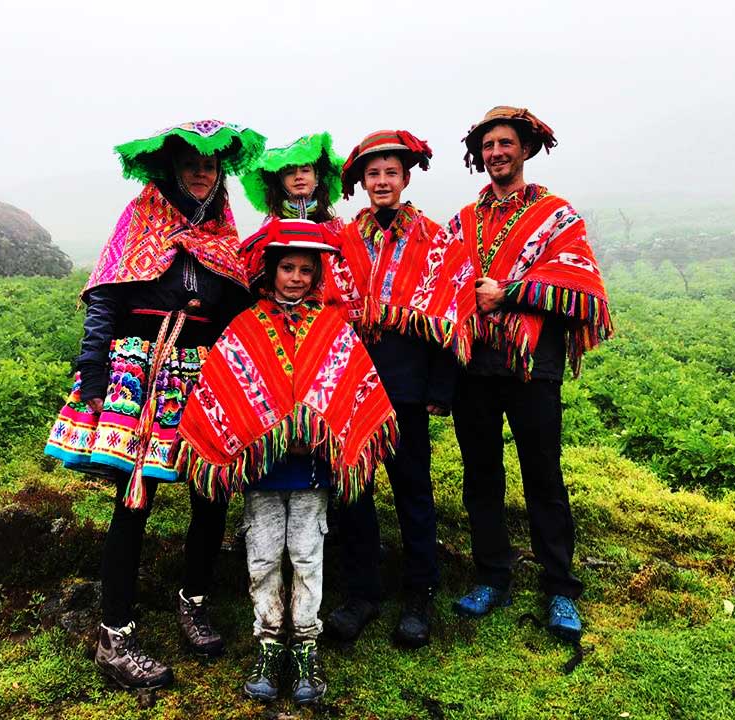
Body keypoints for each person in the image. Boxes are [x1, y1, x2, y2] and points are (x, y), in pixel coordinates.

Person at [44, 119, 265, 690]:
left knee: (209, 494)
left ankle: (194, 601)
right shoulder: (140, 219)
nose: (200, 171)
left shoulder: (222, 234)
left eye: (210, 164)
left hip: (202, 376)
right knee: (133, 501)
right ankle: (114, 633)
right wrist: (90, 371)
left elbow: (236, 313)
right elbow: (104, 298)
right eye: (190, 162)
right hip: (140, 373)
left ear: (220, 174)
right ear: (171, 168)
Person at [175, 218, 397, 704]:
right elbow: (224, 390)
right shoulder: (246, 327)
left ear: (317, 276)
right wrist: (264, 432)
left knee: (306, 554)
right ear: (271, 272)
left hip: (312, 471)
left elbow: (352, 391)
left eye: (304, 270)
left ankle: (306, 649)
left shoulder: (331, 327)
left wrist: (318, 433)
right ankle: (269, 643)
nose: (295, 277)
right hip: (261, 474)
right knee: (263, 555)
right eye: (287, 268)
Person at [446, 106, 612, 641]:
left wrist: (509, 293)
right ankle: (492, 574)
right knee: (482, 474)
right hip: (474, 366)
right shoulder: (462, 222)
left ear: (525, 149)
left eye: (505, 143)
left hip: (532, 365)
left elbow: (581, 281)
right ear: (480, 156)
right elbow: (441, 279)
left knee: (543, 475)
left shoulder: (557, 216)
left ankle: (560, 587)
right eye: (488, 145)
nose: (496, 152)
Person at [322, 130, 476, 648]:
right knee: (354, 492)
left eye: (391, 172)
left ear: (406, 179)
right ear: (362, 182)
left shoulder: (434, 240)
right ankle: (362, 593)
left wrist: (440, 387)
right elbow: (326, 305)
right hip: (351, 384)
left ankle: (419, 594)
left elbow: (452, 313)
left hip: (407, 385)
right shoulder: (344, 240)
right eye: (373, 173)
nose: (381, 181)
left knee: (412, 490)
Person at [240, 131, 344, 226]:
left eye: (305, 170)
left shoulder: (335, 227)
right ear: (281, 181)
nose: (298, 177)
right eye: (290, 172)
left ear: (317, 177)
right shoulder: (270, 226)